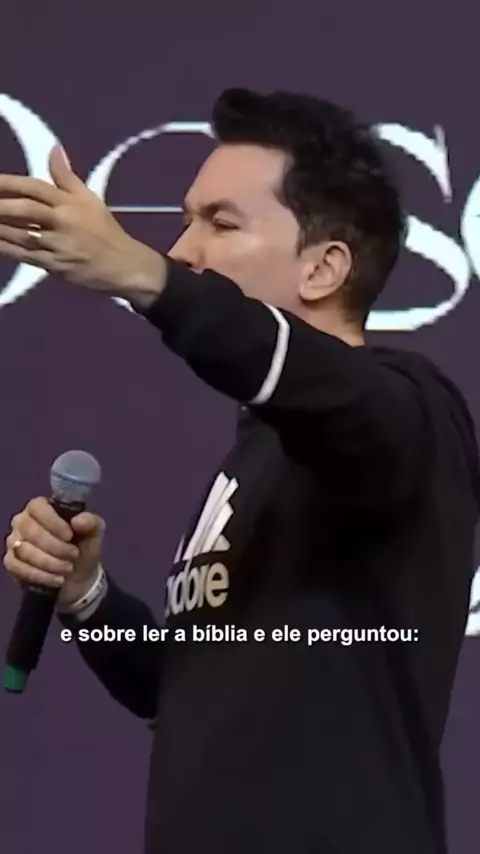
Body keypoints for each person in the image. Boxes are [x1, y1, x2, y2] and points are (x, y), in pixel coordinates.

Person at [1, 88, 479, 854]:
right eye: (185, 222)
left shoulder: (404, 414)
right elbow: (187, 695)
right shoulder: (255, 454)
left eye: (220, 223)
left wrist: (143, 275)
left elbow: (319, 385)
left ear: (323, 268)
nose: (184, 250)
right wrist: (87, 594)